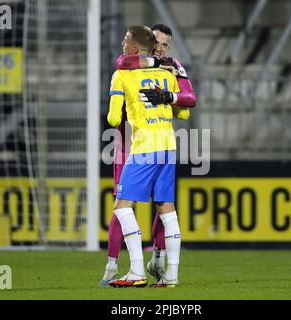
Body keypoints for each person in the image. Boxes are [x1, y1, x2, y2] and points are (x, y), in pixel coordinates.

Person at [100, 24, 196, 287]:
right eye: (158, 43)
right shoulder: (167, 72)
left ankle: (135, 271)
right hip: (168, 146)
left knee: (122, 207)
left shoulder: (124, 74)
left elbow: (111, 118)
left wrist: (132, 105)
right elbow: (185, 111)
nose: (162, 48)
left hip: (143, 147)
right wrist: (167, 99)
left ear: (132, 44)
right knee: (167, 210)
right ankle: (171, 275)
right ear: (151, 43)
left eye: (166, 44)